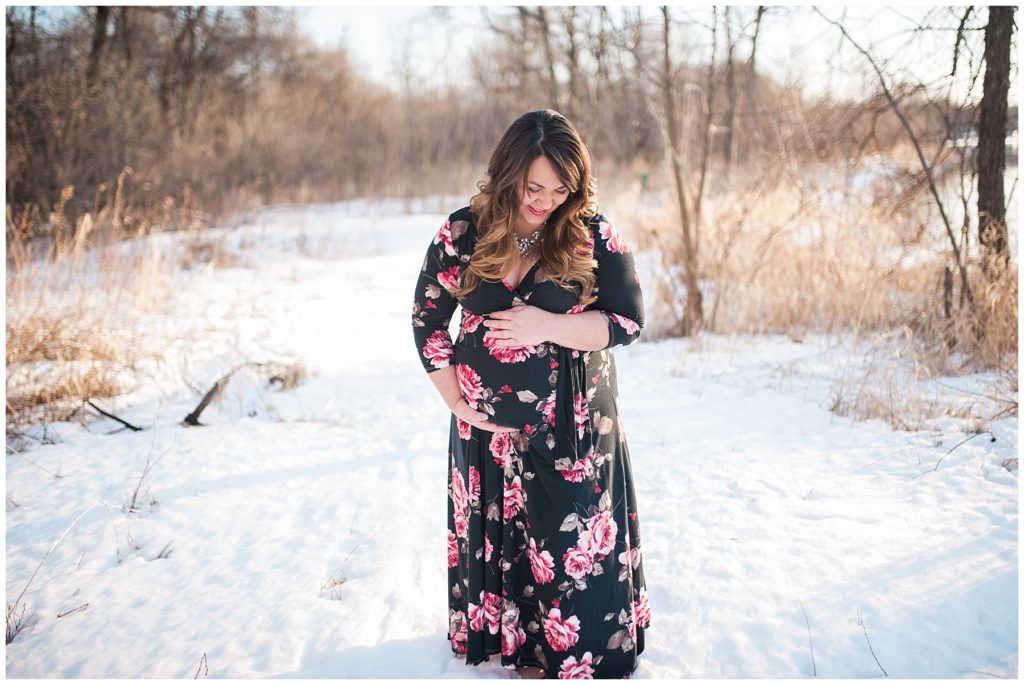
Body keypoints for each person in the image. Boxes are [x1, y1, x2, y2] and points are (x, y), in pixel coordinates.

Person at [411, 109, 650, 679]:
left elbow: (627, 321)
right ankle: (514, 648)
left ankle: (576, 652)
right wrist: (456, 401)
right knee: (505, 542)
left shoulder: (591, 234)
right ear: (508, 173)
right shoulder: (463, 233)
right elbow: (427, 320)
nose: (545, 201)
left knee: (571, 546)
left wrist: (544, 324)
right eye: (533, 187)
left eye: (560, 189)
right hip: (487, 433)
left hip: (574, 421)